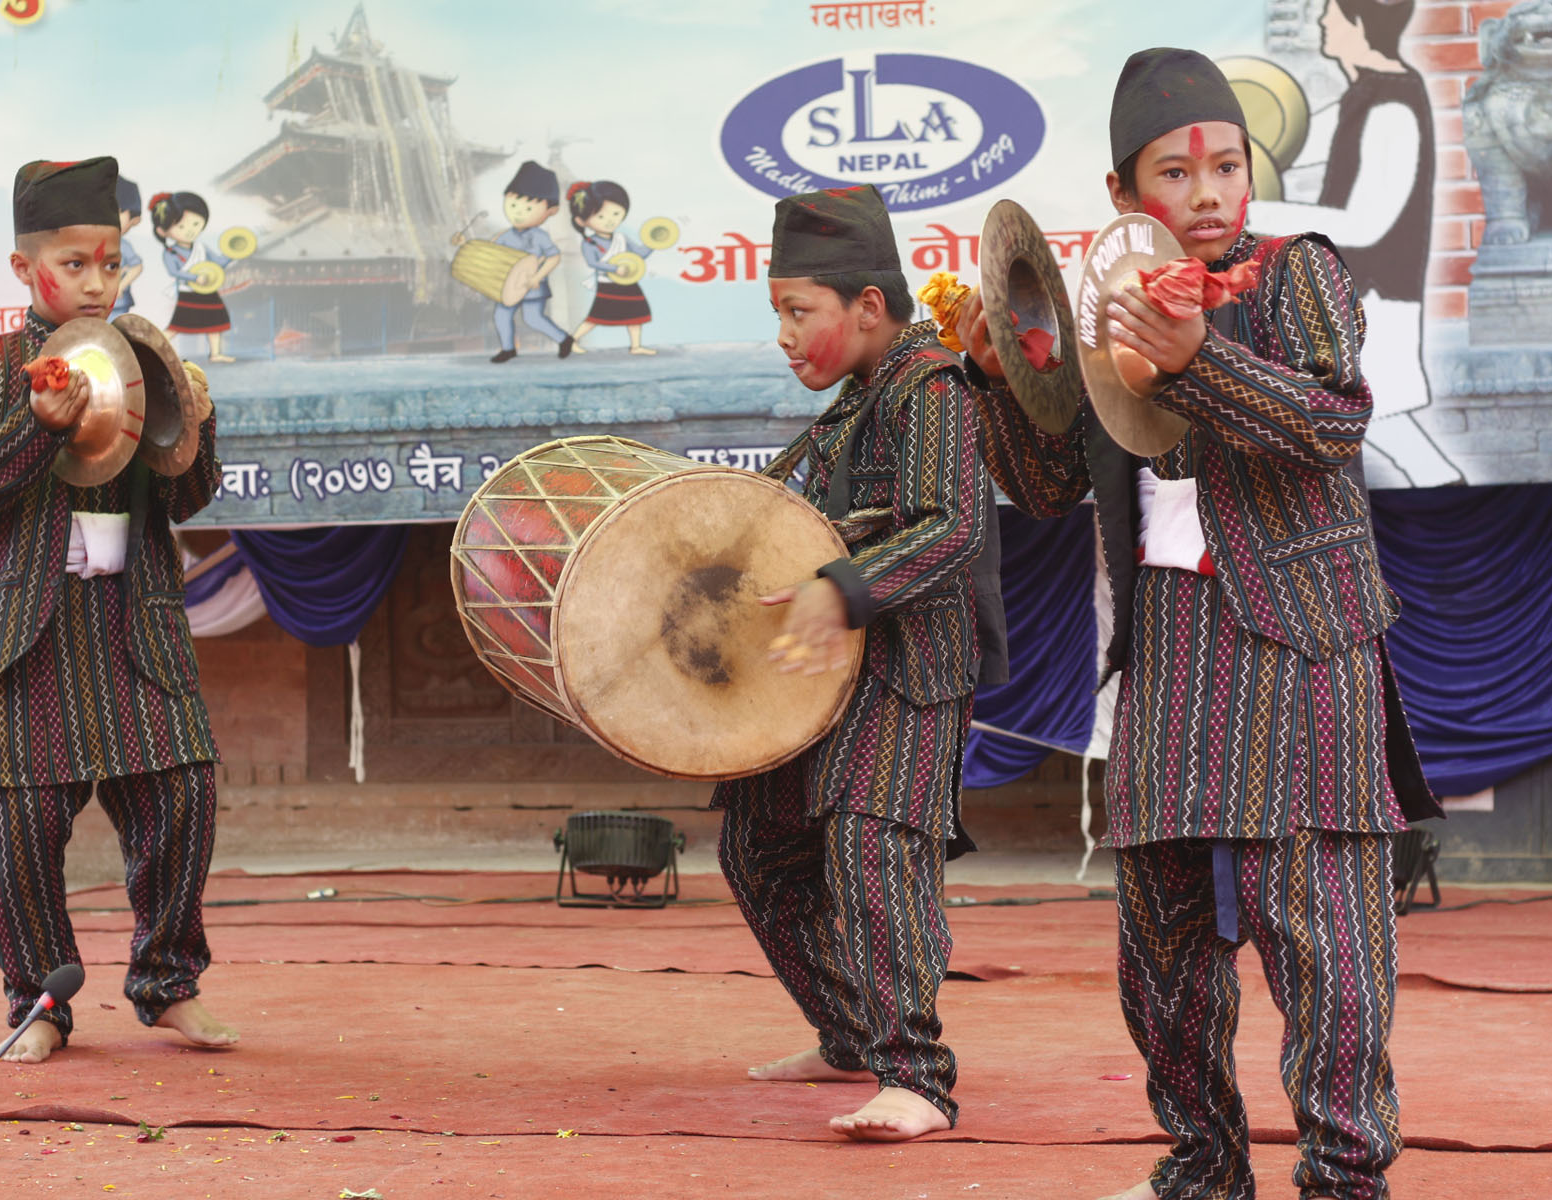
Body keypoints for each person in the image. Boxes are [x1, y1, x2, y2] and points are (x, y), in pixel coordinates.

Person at [961, 48, 1440, 1200]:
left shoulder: (1294, 274)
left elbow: (1334, 420)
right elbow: (1040, 487)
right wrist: (999, 380)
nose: (1212, 190)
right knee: (1162, 944)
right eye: (1178, 173)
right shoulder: (1102, 310)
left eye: (1229, 164)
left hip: (1300, 640)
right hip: (1173, 645)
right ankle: (1202, 1164)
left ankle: (1343, 1173)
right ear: (1128, 195)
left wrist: (1198, 359)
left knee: (1323, 936)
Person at [0, 157, 237, 1065]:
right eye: (75, 265)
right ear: (28, 271)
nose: (97, 282)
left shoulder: (144, 360)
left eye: (112, 264)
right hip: (26, 633)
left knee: (182, 796)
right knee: (15, 832)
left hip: (132, 626)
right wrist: (39, 425)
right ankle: (39, 1004)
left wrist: (199, 421)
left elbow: (188, 499)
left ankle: (168, 985)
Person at [710, 184, 1001, 1143]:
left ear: (867, 307)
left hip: (909, 668)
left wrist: (846, 586)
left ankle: (916, 1075)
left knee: (874, 848)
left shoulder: (932, 387)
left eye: (799, 311)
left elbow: (953, 528)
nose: (786, 334)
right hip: (822, 675)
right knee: (758, 849)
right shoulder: (849, 408)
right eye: (778, 314)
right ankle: (849, 1033)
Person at [1250, 0, 1463, 486]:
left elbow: (1367, 222)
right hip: (1359, 303)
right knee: (1386, 435)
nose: (1324, 22)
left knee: (1389, 430)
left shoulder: (1392, 103)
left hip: (1378, 304)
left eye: (1334, 15)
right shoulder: (1367, 93)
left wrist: (1253, 215)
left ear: (1362, 25)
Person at [489, 160, 573, 363]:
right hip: (509, 283)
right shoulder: (505, 235)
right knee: (501, 315)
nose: (518, 212)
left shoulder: (539, 236)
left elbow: (554, 257)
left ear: (550, 211)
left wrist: (538, 276)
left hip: (532, 284)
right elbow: (490, 252)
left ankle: (564, 339)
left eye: (528, 208)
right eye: (513, 204)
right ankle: (508, 349)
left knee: (532, 318)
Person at [565, 179, 655, 355]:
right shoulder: (590, 243)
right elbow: (593, 263)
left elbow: (639, 254)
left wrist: (653, 243)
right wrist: (615, 269)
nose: (609, 221)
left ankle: (635, 346)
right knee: (596, 317)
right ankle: (572, 341)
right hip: (608, 283)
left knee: (636, 314)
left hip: (628, 281)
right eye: (600, 217)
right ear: (582, 221)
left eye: (615, 214)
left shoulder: (622, 238)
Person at [150, 190, 235, 363]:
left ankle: (215, 353)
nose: (189, 231)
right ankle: (153, 347)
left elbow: (218, 262)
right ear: (162, 231)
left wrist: (232, 253)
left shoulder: (201, 248)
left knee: (215, 322)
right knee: (177, 326)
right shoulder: (171, 252)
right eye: (181, 227)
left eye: (195, 224)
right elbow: (174, 272)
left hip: (208, 290)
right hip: (189, 292)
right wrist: (194, 278)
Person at [109, 175, 145, 320]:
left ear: (134, 220)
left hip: (117, 303)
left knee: (115, 334)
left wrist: (121, 286)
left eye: (115, 212)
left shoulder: (123, 246)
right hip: (92, 302)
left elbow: (137, 267)